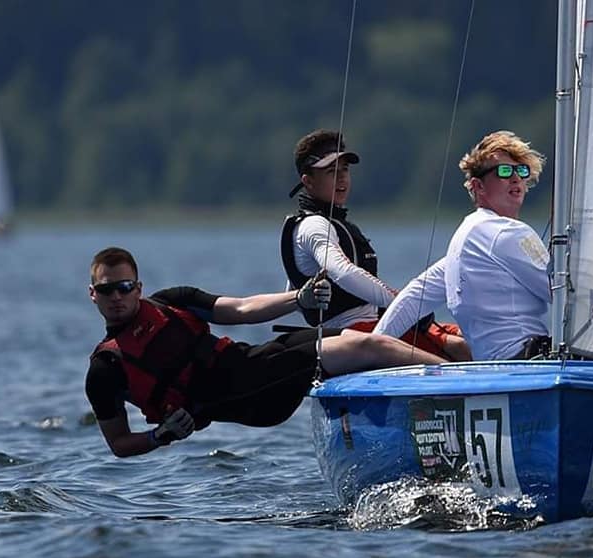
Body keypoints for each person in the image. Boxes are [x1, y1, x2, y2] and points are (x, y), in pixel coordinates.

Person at [85, 247, 445, 458]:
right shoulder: (105, 369)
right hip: (249, 397)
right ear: (93, 294)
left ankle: (436, 391)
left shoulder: (171, 303)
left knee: (359, 341)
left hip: (254, 361)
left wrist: (298, 298)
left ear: (138, 288)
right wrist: (159, 437)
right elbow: (118, 443)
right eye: (107, 290)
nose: (116, 297)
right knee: (366, 346)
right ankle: (459, 379)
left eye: (124, 287)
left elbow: (242, 308)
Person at [281, 128, 472, 361]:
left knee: (467, 336)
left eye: (345, 170)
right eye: (332, 172)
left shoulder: (332, 224)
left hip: (374, 324)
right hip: (352, 334)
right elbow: (341, 272)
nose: (342, 178)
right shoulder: (313, 227)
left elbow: (294, 288)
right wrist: (403, 304)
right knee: (461, 348)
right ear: (308, 181)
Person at [374, 130, 551, 361]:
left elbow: (415, 296)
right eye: (504, 171)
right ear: (478, 186)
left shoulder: (468, 238)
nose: (516, 178)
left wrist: (372, 346)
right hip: (526, 363)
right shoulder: (506, 232)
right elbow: (562, 291)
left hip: (495, 367)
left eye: (521, 171)